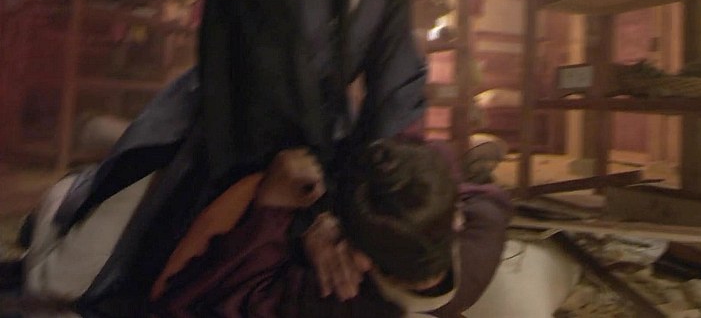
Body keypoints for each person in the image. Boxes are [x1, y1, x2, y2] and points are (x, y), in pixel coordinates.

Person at [26, 0, 477, 313]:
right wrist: (313, 216)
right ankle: (66, 198)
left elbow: (396, 83)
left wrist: (381, 190)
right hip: (225, 130)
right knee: (69, 283)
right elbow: (263, 100)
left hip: (330, 141)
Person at [149, 139, 509, 317]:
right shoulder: (484, 238)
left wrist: (273, 206)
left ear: (361, 259)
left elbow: (192, 297)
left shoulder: (329, 296)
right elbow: (492, 200)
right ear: (456, 218)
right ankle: (472, 169)